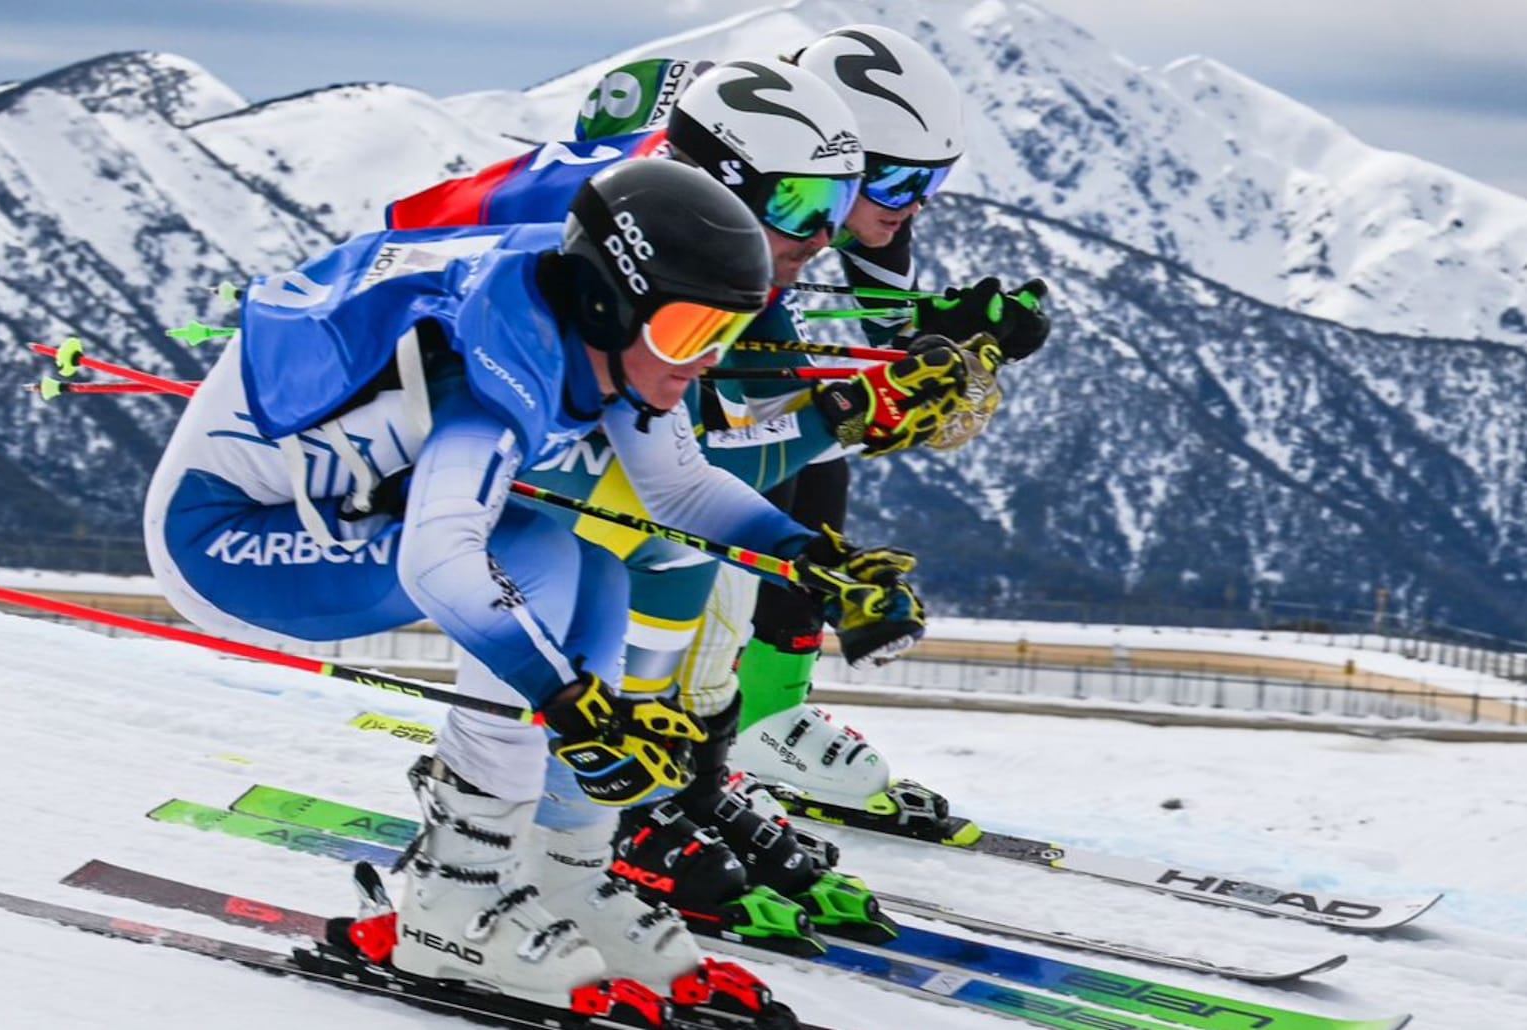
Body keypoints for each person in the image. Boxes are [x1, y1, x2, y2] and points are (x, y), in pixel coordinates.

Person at [142, 159, 923, 1018]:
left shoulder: (614, 331)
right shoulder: (494, 366)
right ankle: (455, 894)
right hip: (228, 540)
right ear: (609, 302)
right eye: (692, 331)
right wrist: (569, 703)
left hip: (334, 516)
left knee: (591, 567)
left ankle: (565, 873)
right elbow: (438, 563)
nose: (703, 364)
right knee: (539, 564)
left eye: (723, 338)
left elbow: (678, 487)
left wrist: (809, 553)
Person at [375, 58, 974, 941]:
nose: (836, 231)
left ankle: (662, 780)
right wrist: (846, 414)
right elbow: (697, 456)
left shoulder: (715, 226)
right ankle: (571, 804)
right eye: (816, 209)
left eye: (847, 203)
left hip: (512, 384)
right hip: (452, 409)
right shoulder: (657, 237)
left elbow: (723, 446)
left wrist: (863, 404)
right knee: (637, 537)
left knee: (686, 530)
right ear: (734, 184)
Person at [724, 25, 1054, 833]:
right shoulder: (751, 204)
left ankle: (762, 717)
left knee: (814, 462)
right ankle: (690, 706)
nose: (918, 204)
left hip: (723, 289)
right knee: (747, 470)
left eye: (932, 180)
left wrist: (968, 333)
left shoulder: (842, 205)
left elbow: (883, 352)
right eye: (901, 181)